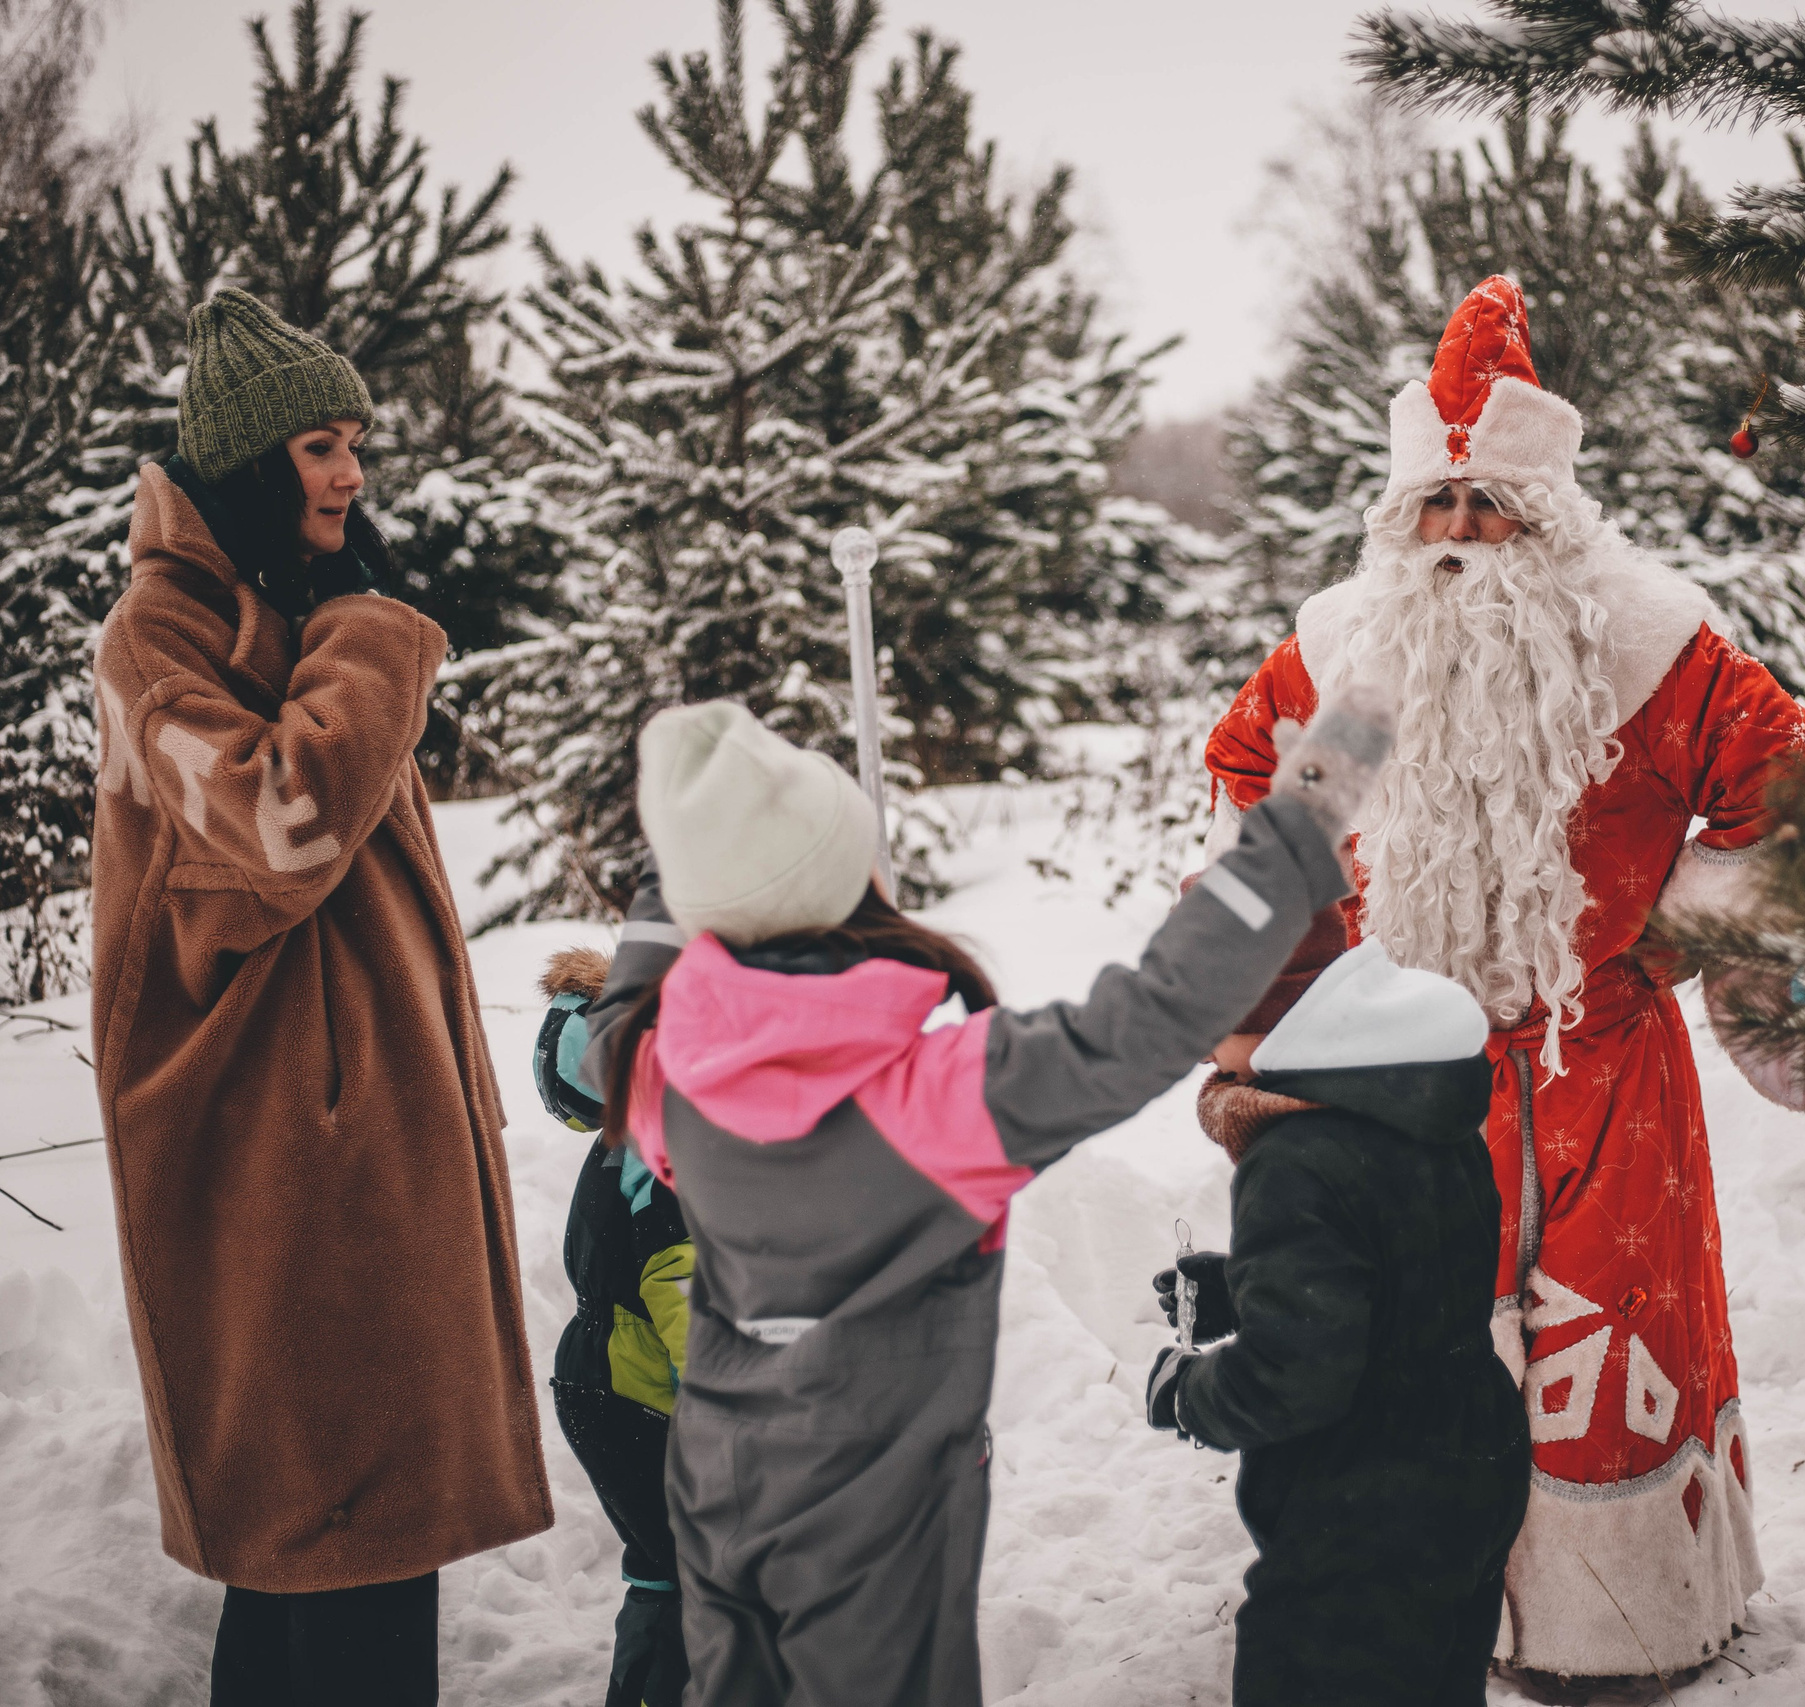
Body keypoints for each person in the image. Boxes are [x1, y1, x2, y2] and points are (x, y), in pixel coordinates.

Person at [1201, 275, 1805, 1684]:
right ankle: (1434, 1610)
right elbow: (1274, 830)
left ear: (1548, 516)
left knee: (1606, 1355)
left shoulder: (1651, 648)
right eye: (1432, 510)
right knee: (1411, 1363)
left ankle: (1609, 1628)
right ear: (1394, 522)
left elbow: (1804, 793)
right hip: (1391, 1092)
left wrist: (1677, 931)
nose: (1457, 537)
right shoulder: (1346, 660)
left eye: (1489, 506)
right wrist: (1263, 1036)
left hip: (1599, 1071)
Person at [579, 687, 1389, 1707]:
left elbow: (618, 1019)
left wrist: (686, 856)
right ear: (847, 879)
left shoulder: (671, 1071)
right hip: (877, 1511)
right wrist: (1299, 826)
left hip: (721, 1480)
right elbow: (1155, 1012)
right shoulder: (936, 1099)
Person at [87, 288, 550, 1704]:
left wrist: (340, 623)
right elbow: (282, 827)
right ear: (242, 464)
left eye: (354, 441)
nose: (351, 472)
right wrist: (367, 637)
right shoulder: (156, 644)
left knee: (326, 1561)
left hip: (346, 1172)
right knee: (338, 1557)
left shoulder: (278, 606)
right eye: (316, 447)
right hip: (275, 1174)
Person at [1145, 909, 1530, 1707]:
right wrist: (1241, 1282)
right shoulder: (1416, 1098)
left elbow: (1296, 1377)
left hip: (1365, 1499)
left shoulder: (1292, 1156)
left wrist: (1188, 1393)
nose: (1200, 1052)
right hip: (1472, 1456)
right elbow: (1404, 1258)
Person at [533, 948, 695, 1707]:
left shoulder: (631, 1130)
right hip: (641, 1396)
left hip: (601, 1384)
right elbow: (683, 1279)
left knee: (668, 1559)